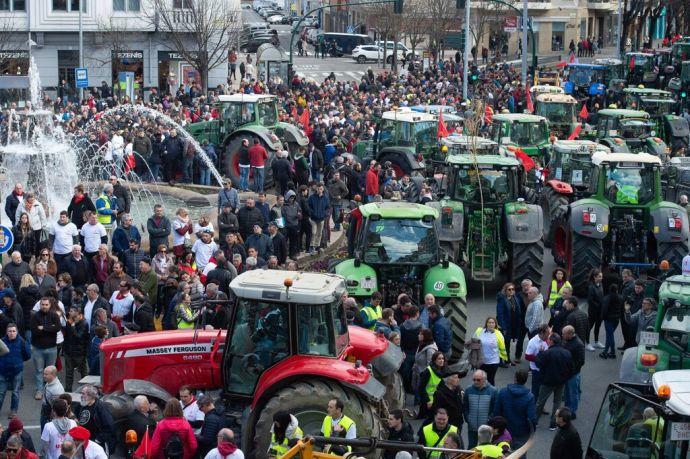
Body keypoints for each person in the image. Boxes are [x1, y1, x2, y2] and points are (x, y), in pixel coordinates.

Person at [535, 333, 574, 430]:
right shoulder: (567, 353)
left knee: (540, 402)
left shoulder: (547, 353)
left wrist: (540, 353)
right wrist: (565, 378)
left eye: (549, 340)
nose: (547, 341)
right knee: (557, 403)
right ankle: (553, 424)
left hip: (547, 382)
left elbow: (538, 364)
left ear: (552, 341)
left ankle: (534, 421)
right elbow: (571, 369)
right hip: (561, 383)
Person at [493, 368, 536, 454]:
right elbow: (532, 418)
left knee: (503, 454)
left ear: (515, 378)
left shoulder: (503, 392)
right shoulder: (529, 396)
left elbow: (496, 413)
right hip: (522, 432)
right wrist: (532, 431)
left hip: (504, 431)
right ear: (525, 380)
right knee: (520, 454)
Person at [30, 298, 61, 400]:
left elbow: (57, 328)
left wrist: (43, 328)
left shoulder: (54, 315)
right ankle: (39, 390)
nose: (44, 306)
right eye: (42, 304)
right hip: (38, 348)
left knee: (51, 371)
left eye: (46, 304)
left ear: (49, 305)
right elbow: (35, 331)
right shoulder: (35, 316)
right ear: (40, 305)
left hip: (51, 348)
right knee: (39, 371)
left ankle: (50, 390)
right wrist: (49, 328)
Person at [0, 324, 30, 418]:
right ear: (6, 332)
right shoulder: (2, 342)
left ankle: (13, 411)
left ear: (17, 332)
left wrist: (18, 362)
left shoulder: (22, 342)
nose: (12, 333)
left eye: (13, 331)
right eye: (10, 331)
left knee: (15, 392)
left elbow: (27, 355)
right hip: (3, 371)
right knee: (1, 392)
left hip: (17, 371)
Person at [75, 385, 116, 453]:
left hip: (96, 443)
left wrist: (98, 440)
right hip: (83, 441)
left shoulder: (101, 408)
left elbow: (110, 427)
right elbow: (76, 416)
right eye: (81, 393)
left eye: (83, 394)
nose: (81, 396)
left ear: (91, 396)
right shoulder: (82, 404)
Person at [462, 369, 497, 448]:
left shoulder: (493, 391)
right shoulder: (468, 390)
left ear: (484, 380)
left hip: (486, 427)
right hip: (472, 426)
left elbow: (495, 408)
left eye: (478, 380)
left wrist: (489, 419)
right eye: (474, 380)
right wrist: (468, 418)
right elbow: (465, 406)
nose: (475, 382)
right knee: (471, 447)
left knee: (486, 447)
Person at [496, 282, 524, 365]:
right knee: (503, 343)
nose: (511, 291)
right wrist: (503, 327)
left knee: (507, 343)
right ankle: (501, 361)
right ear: (505, 290)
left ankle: (507, 359)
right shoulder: (502, 299)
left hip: (512, 325)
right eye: (509, 289)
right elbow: (500, 315)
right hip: (505, 326)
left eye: (513, 289)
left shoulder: (515, 298)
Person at [473, 317, 507, 385]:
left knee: (490, 380)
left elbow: (502, 347)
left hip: (493, 362)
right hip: (481, 362)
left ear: (495, 324)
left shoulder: (499, 335)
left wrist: (504, 357)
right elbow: (473, 342)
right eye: (489, 322)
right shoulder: (479, 331)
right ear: (486, 324)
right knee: (480, 380)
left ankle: (491, 395)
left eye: (492, 323)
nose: (491, 324)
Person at [61, 307, 89, 392]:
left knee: (83, 373)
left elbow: (78, 337)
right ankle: (68, 391)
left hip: (79, 353)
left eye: (72, 311)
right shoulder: (70, 321)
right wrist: (67, 325)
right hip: (69, 352)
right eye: (70, 311)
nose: (70, 313)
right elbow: (65, 335)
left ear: (79, 315)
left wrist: (72, 326)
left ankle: (86, 391)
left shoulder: (84, 323)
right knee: (69, 374)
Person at [561, 325, 585, 418]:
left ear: (570, 334)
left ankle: (572, 412)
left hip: (573, 374)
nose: (562, 336)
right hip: (567, 373)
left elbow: (581, 361)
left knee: (573, 393)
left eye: (564, 334)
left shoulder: (578, 344)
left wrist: (571, 370)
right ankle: (567, 410)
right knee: (567, 392)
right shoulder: (568, 340)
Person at [417, 351, 446, 421]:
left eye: (442, 359)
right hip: (428, 403)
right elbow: (421, 388)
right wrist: (428, 401)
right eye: (439, 359)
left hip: (436, 401)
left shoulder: (441, 370)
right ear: (434, 360)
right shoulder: (428, 371)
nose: (441, 361)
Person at [412, 329, 438, 395]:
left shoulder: (430, 349)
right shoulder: (421, 344)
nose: (418, 335)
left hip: (424, 379)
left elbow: (430, 365)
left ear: (425, 336)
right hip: (418, 375)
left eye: (421, 334)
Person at [601, 284, 622, 359]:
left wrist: (603, 318)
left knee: (610, 336)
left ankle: (610, 352)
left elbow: (604, 309)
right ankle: (608, 352)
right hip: (616, 319)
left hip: (608, 319)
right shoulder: (620, 297)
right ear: (617, 290)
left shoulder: (607, 298)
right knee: (610, 335)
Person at [307, 183, 330, 254]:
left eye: (321, 189)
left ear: (323, 189)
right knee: (314, 232)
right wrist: (312, 213)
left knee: (319, 233)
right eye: (318, 189)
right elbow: (309, 206)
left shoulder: (325, 198)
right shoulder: (312, 197)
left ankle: (317, 246)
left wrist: (324, 214)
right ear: (316, 189)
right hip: (313, 218)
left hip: (321, 218)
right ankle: (311, 246)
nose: (319, 190)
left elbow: (327, 207)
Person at [40, 366, 64, 432]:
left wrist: (51, 420)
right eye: (44, 373)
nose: (44, 376)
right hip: (45, 412)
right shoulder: (49, 382)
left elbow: (57, 407)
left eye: (46, 374)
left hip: (49, 415)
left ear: (53, 375)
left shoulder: (57, 390)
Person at [586, 268, 605, 351]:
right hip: (593, 311)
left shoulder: (600, 285)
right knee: (589, 327)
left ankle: (596, 342)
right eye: (600, 277)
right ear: (595, 277)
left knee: (598, 326)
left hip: (600, 311)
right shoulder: (591, 287)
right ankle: (587, 343)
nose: (601, 278)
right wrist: (598, 306)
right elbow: (590, 300)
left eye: (601, 276)